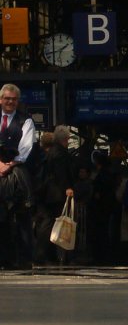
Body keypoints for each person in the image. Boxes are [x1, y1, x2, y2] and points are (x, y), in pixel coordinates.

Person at [0, 83, 37, 268]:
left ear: (18, 101)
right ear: (0, 100)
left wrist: (9, 164)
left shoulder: (26, 121)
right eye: (7, 98)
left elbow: (26, 148)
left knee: (21, 215)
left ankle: (22, 259)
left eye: (14, 99)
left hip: (15, 173)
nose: (10, 102)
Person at [34, 125, 75, 266]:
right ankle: (44, 254)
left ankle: (48, 255)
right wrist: (67, 188)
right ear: (66, 138)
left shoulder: (52, 151)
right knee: (52, 223)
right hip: (57, 194)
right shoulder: (60, 153)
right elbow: (61, 173)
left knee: (50, 224)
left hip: (50, 193)